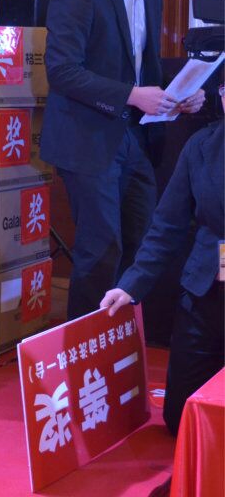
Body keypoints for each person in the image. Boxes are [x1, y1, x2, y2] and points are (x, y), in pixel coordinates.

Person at [40, 0, 206, 320]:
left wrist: (179, 96)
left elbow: (141, 69)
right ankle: (86, 346)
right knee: (101, 249)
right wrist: (134, 95)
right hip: (87, 138)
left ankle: (122, 341)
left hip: (136, 135)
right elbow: (62, 71)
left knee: (142, 242)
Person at [100, 83, 223, 434]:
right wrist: (131, 285)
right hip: (206, 293)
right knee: (180, 420)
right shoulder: (201, 146)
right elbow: (167, 225)